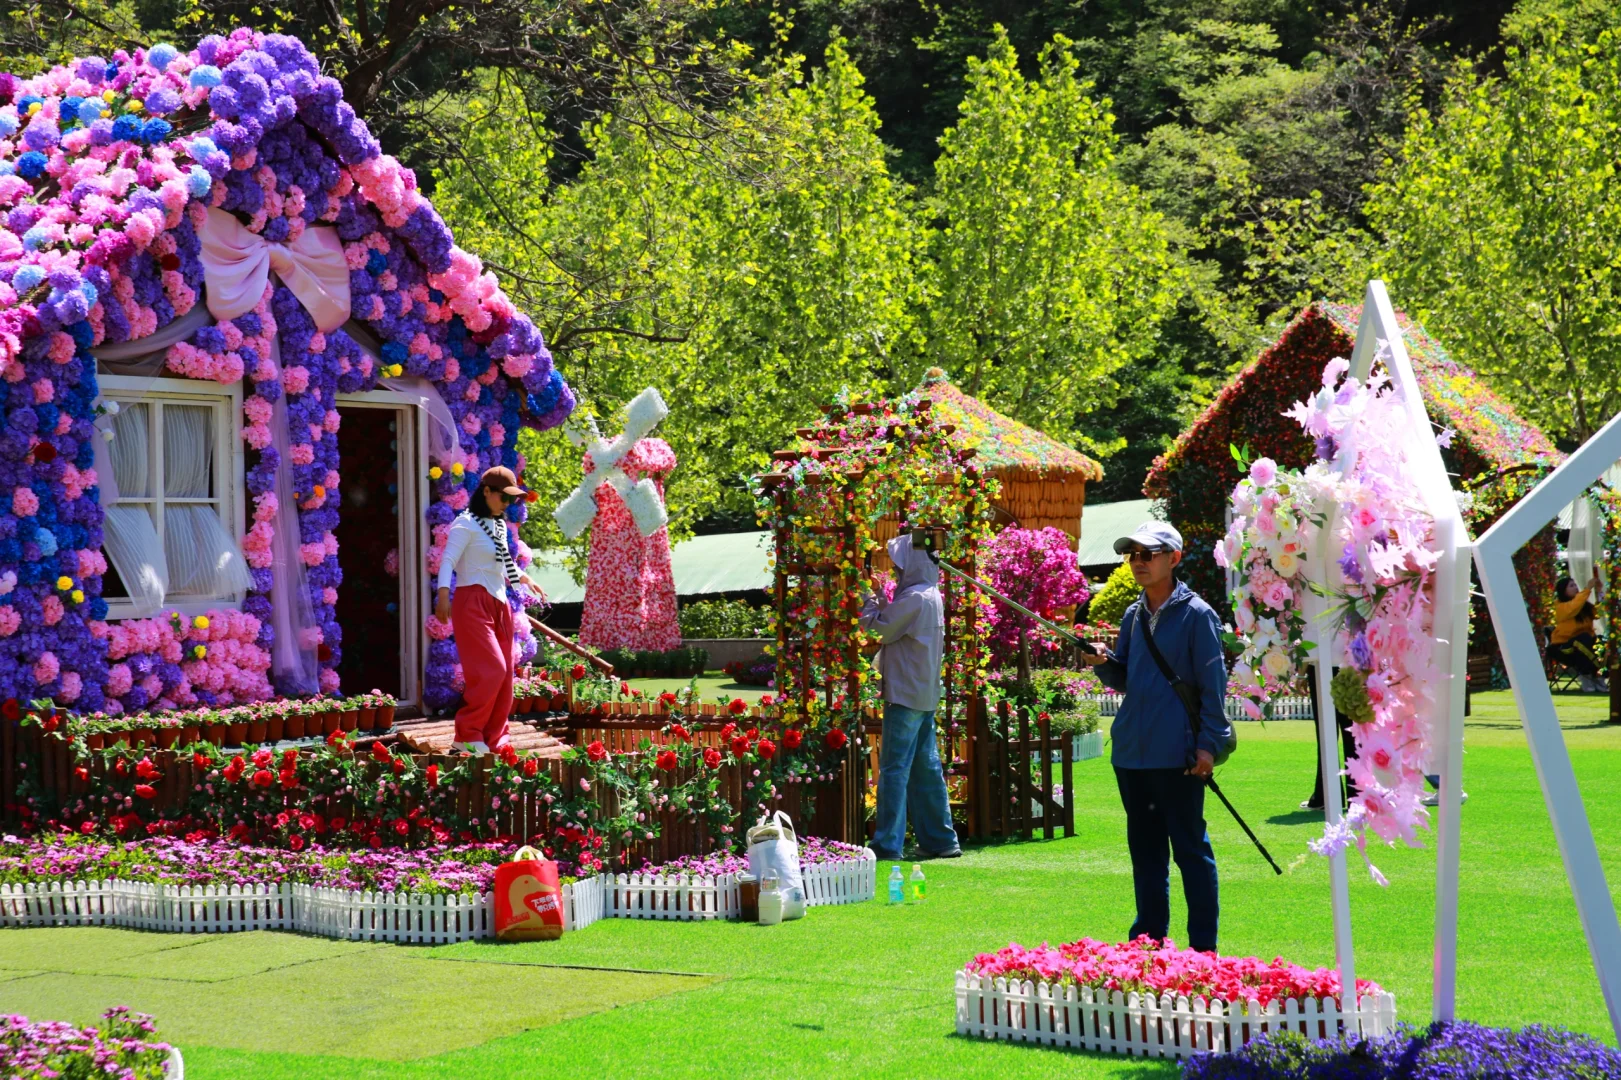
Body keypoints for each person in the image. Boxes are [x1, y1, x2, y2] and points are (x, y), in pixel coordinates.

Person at [1081, 521, 1229, 953]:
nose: (1139, 562)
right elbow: (1127, 677)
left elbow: (1212, 688)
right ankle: (1147, 946)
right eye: (1133, 554)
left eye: (1149, 553)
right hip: (1131, 754)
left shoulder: (1198, 614)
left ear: (1173, 558)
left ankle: (1204, 950)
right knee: (1146, 858)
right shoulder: (1132, 614)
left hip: (1178, 755)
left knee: (1190, 853)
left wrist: (1208, 746)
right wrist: (1102, 661)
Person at [860, 532, 962, 861]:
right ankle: (940, 841)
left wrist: (868, 597)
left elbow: (877, 629)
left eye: (900, 566)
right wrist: (879, 594)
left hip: (905, 695)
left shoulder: (916, 597)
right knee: (926, 768)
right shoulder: (931, 594)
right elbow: (897, 624)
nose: (898, 571)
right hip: (924, 693)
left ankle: (887, 845)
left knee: (893, 770)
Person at [435, 466, 544, 755]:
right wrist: (444, 594)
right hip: (472, 602)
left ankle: (495, 737)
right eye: (503, 498)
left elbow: (504, 561)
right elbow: (447, 561)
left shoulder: (496, 525)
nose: (507, 504)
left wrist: (525, 578)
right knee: (491, 669)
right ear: (486, 492)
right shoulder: (464, 524)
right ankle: (467, 734)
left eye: (512, 500)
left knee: (506, 673)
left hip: (499, 603)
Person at [1550, 572, 1607, 693]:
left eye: (1575, 585)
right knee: (1583, 639)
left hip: (1583, 644)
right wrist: (1587, 589)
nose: (1575, 587)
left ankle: (1599, 677)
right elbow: (1573, 607)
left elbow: (1600, 613)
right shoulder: (1560, 606)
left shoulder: (1584, 605)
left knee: (1602, 642)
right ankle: (1588, 678)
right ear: (1563, 591)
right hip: (1563, 647)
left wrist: (1599, 592)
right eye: (1571, 586)